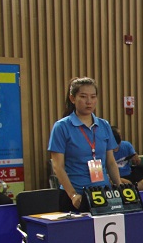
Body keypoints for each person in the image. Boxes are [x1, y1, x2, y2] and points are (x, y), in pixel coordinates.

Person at [48, 77, 121, 212]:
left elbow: (110, 162)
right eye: (83, 96)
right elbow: (58, 166)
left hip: (103, 193)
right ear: (72, 98)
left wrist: (119, 186)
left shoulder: (104, 125)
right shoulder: (61, 127)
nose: (89, 101)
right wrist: (73, 195)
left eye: (93, 97)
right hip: (76, 196)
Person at [112, 126, 143, 190]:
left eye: (120, 135)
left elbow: (136, 162)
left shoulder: (127, 145)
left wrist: (136, 160)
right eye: (117, 135)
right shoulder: (106, 150)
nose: (120, 137)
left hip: (129, 174)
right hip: (114, 178)